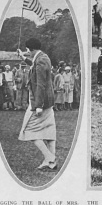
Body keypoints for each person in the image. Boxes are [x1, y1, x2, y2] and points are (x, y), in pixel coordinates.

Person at [17, 38, 58, 171]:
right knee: (49, 131)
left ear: (31, 49)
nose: (27, 52)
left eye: (27, 50)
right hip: (47, 101)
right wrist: (23, 57)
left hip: (41, 101)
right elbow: (34, 66)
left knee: (28, 130)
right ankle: (51, 163)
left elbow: (40, 84)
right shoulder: (42, 57)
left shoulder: (40, 60)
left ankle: (49, 157)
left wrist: (39, 105)